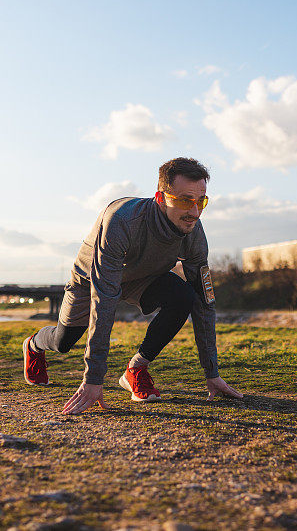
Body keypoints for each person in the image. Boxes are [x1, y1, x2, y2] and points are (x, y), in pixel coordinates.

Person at [22, 157, 243, 414]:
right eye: (185, 200)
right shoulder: (122, 221)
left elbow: (205, 302)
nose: (194, 212)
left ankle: (135, 369)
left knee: (184, 297)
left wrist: (212, 373)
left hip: (145, 277)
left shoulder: (193, 232)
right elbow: (104, 300)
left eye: (201, 202)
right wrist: (93, 379)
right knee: (64, 341)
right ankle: (33, 345)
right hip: (91, 278)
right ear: (161, 198)